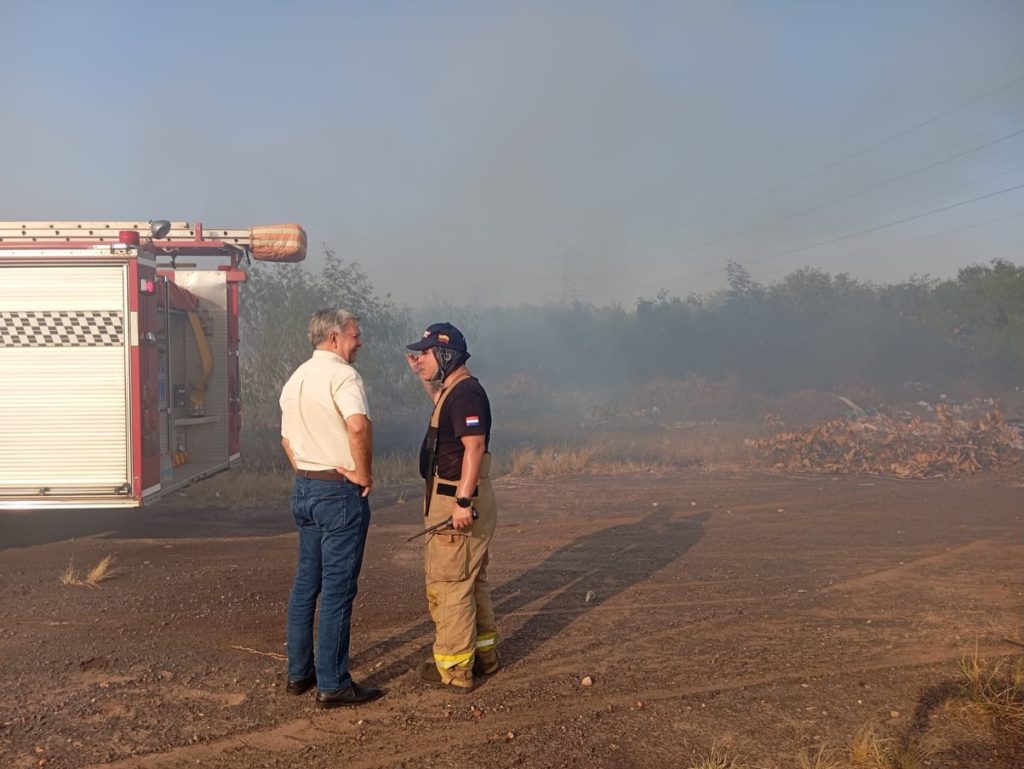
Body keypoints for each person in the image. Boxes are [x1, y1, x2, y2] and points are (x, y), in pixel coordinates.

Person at [278, 309, 382, 708]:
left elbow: (286, 440)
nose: (360, 342)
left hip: (305, 487)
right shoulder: (343, 376)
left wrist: (306, 469)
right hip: (338, 491)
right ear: (334, 338)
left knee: (307, 584)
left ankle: (299, 673)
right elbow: (358, 425)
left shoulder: (296, 378)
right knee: (338, 590)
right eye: (355, 335)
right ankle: (333, 683)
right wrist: (363, 473)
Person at [405, 322, 499, 693]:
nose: (420, 358)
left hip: (456, 499)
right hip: (449, 496)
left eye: (426, 353)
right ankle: (484, 657)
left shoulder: (467, 394)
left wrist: (462, 501)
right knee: (471, 581)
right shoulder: (454, 391)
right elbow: (439, 404)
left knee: (450, 585)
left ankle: (455, 669)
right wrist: (421, 375)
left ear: (446, 354)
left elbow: (474, 447)